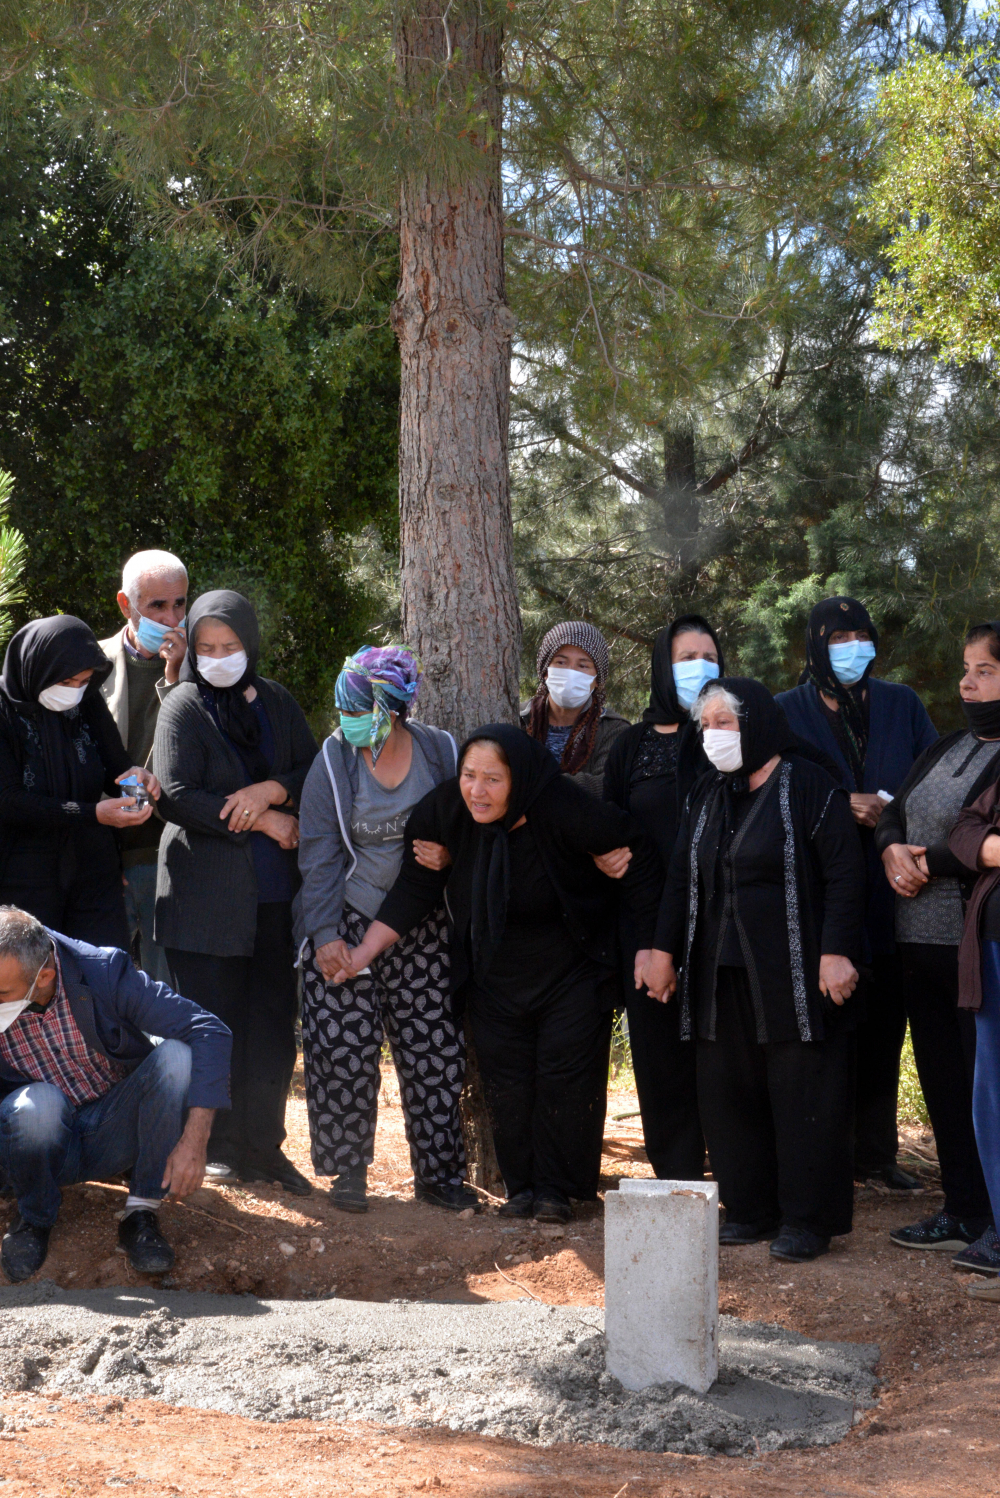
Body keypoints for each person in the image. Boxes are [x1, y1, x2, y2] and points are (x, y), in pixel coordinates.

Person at [326, 724, 662, 1224]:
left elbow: (641, 857)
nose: (477, 791)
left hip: (571, 969)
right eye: (468, 775)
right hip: (493, 973)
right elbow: (415, 887)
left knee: (562, 1079)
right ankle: (522, 1188)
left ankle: (556, 1190)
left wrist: (649, 946)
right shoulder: (447, 812)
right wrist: (364, 951)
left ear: (519, 779)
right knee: (507, 1082)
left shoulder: (563, 808)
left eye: (493, 780)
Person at [643, 678, 865, 1264]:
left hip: (794, 968)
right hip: (718, 969)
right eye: (706, 726)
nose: (713, 736)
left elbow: (845, 873)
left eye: (725, 723)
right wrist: (662, 949)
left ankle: (806, 1221)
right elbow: (679, 878)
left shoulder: (810, 784)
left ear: (759, 724)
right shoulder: (705, 793)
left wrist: (837, 951)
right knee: (727, 1092)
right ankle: (749, 1208)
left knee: (801, 1094)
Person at [295, 645, 476, 1215]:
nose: (347, 719)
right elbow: (319, 854)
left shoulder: (441, 751)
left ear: (393, 710)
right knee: (340, 1043)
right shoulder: (332, 760)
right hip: (348, 913)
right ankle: (348, 1172)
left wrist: (449, 857)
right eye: (342, 708)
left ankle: (440, 1173)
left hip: (422, 922)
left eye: (358, 708)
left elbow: (470, 826)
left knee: (434, 1049)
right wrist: (324, 933)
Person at [152, 590, 318, 1195]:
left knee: (273, 1025)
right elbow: (173, 794)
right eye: (206, 648)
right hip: (206, 901)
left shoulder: (276, 701)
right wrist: (263, 818)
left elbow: (313, 770)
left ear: (250, 644)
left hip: (273, 900)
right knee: (213, 1025)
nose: (219, 658)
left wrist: (273, 789)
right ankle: (216, 1145)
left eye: (230, 647)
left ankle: (265, 1148)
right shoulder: (184, 707)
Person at [777, 597, 938, 1190]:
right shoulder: (785, 710)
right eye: (838, 635)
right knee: (825, 1029)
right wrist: (842, 805)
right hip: (822, 893)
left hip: (897, 891)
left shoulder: (901, 702)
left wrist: (891, 814)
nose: (852, 646)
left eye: (860, 634)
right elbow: (776, 785)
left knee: (884, 1026)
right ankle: (828, 1156)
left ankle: (877, 1154)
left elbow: (932, 773)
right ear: (816, 643)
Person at [0, 906, 231, 1284]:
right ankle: (32, 1219)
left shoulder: (103, 972)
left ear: (43, 977)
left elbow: (209, 1030)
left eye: (2, 993)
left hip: (112, 1134)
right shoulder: (10, 975)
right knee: (37, 1105)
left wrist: (195, 1139)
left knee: (177, 1057)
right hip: (33, 1145)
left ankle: (141, 1213)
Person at [875, 623, 1000, 1253]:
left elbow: (976, 839)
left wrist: (925, 863)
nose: (967, 682)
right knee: (942, 1078)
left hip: (975, 945)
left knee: (985, 1083)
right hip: (916, 943)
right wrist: (890, 844)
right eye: (966, 668)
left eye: (984, 670)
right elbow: (896, 805)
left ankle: (993, 1214)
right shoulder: (947, 745)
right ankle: (962, 1207)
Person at [602, 614, 724, 1180]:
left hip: (726, 926)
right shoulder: (630, 746)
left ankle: (738, 1178)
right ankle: (677, 1178)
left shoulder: (731, 735)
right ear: (660, 666)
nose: (699, 667)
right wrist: (654, 943)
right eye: (684, 657)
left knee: (725, 1055)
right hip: (647, 925)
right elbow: (616, 839)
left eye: (708, 656)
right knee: (658, 1056)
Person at [0, 617, 161, 949]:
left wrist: (138, 786)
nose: (74, 691)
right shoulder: (4, 710)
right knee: (33, 977)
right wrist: (93, 813)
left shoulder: (85, 701)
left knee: (100, 973)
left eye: (84, 681)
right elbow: (9, 800)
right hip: (22, 875)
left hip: (92, 870)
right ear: (37, 670)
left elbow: (116, 767)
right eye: (67, 681)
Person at [100, 550, 189, 983]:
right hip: (102, 862)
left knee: (167, 1000)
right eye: (157, 606)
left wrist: (176, 679)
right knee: (101, 994)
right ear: (125, 605)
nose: (172, 618)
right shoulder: (88, 667)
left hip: (168, 862)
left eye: (180, 604)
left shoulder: (202, 671)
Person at [522, 622, 628, 794]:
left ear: (597, 678)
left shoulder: (613, 729)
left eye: (583, 666)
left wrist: (533, 785)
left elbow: (605, 785)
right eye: (561, 662)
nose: (571, 672)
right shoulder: (519, 718)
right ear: (545, 670)